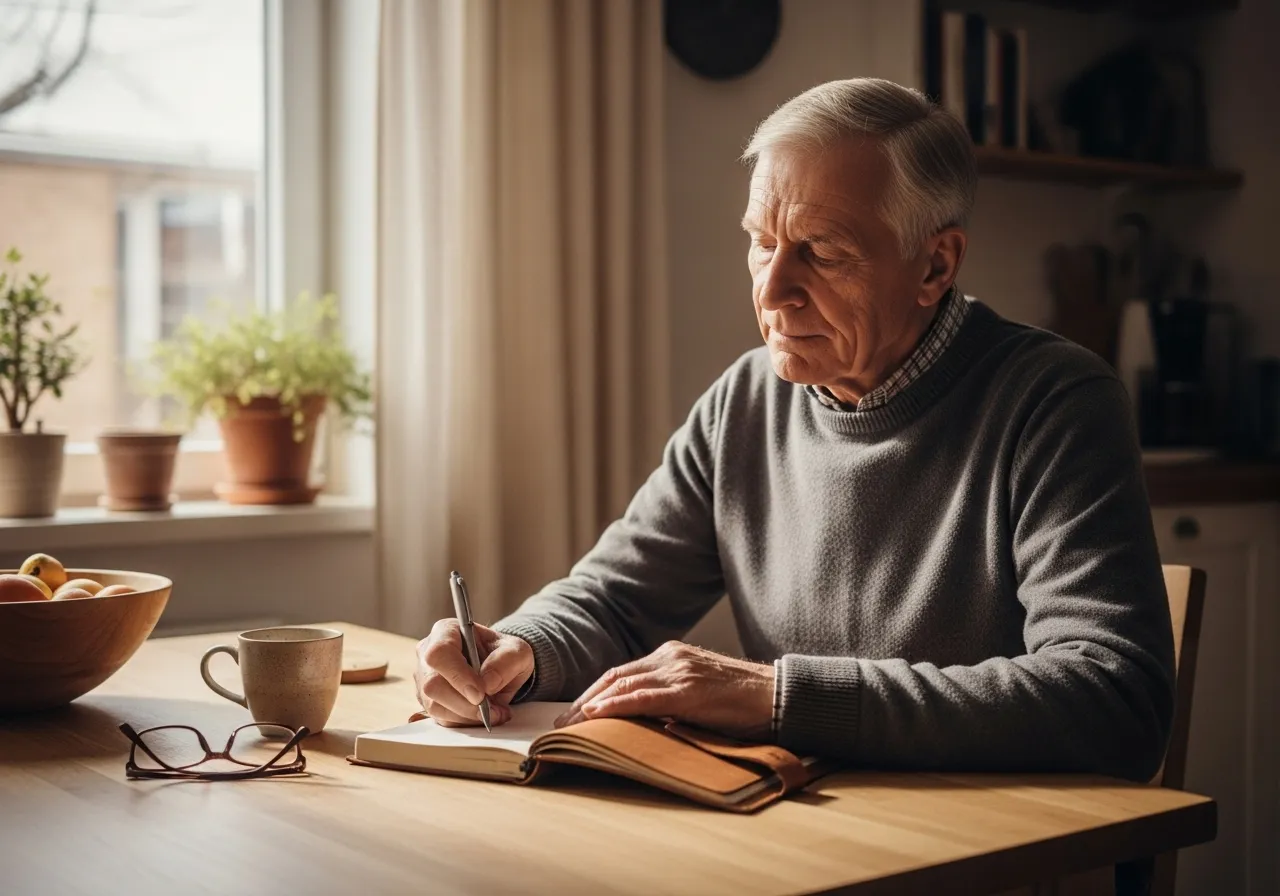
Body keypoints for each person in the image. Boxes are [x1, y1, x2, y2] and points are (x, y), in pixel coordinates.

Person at [413, 77, 1174, 781]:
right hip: (799, 827)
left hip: (999, 859)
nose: (773, 290)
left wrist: (778, 696)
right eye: (762, 241)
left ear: (935, 266)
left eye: (821, 252)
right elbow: (614, 601)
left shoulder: (1056, 402)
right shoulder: (745, 401)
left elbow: (1113, 698)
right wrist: (520, 649)